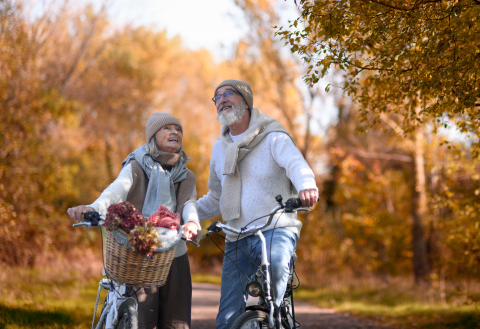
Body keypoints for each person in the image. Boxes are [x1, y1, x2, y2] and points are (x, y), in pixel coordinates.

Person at [195, 79, 319, 329]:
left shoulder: (273, 136)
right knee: (228, 318)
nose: (221, 100)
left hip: (275, 229)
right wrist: (185, 213)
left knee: (274, 271)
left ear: (246, 100)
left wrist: (307, 185)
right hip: (237, 236)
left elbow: (296, 164)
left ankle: (276, 318)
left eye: (228, 93)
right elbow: (216, 197)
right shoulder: (220, 148)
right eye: (217, 97)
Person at [67, 112, 200, 329]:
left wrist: (192, 222)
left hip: (175, 254)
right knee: (140, 322)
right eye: (167, 128)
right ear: (153, 136)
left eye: (178, 129)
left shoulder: (187, 176)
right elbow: (115, 191)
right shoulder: (136, 167)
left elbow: (189, 204)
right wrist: (93, 208)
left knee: (177, 323)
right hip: (140, 252)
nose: (174, 132)